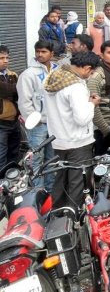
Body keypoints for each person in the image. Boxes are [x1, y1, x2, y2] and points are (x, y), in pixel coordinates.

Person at [43, 51, 101, 208]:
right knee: (78, 185)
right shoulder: (75, 86)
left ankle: (58, 218)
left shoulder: (55, 77)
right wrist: (92, 104)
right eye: (92, 72)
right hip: (78, 142)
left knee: (61, 182)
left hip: (59, 140)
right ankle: (73, 221)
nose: (91, 75)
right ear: (87, 68)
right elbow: (82, 118)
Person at [17, 40, 59, 190]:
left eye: (44, 51)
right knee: (36, 158)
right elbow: (24, 101)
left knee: (52, 158)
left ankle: (49, 191)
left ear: (52, 54)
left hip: (55, 124)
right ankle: (36, 191)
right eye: (38, 51)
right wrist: (33, 121)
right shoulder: (28, 74)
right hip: (38, 125)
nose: (40, 54)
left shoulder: (58, 70)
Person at [87, 40, 110, 155]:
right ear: (102, 55)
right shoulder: (96, 76)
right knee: (102, 165)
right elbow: (93, 107)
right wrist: (106, 130)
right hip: (103, 128)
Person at [0, 45, 20, 170]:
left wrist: (15, 91)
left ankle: (11, 180)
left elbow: (19, 93)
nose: (6, 60)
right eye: (2, 58)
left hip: (14, 121)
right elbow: (8, 91)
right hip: (1, 123)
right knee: (1, 155)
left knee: (14, 153)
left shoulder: (13, 74)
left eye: (7, 57)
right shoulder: (14, 77)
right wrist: (15, 90)